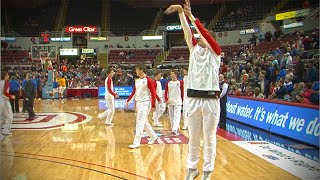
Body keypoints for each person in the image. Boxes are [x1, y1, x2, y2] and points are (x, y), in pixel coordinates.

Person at [165, 1, 221, 179]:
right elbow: (187, 32)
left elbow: (203, 33)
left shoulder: (216, 52)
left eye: (204, 37)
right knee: (193, 138)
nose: (201, 38)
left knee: (209, 138)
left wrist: (191, 16)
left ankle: (208, 171)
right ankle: (192, 168)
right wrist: (181, 13)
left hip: (211, 100)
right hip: (193, 99)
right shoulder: (194, 48)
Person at [125, 63, 159, 149]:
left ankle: (136, 142)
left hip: (145, 103)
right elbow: (134, 92)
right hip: (139, 103)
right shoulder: (137, 80)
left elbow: (153, 93)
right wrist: (128, 100)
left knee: (139, 122)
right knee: (144, 122)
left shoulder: (149, 80)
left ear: (141, 70)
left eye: (137, 70)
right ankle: (154, 136)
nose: (135, 71)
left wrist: (154, 105)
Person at [164, 70, 183, 135]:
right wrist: (166, 99)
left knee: (177, 116)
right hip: (170, 101)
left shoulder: (180, 82)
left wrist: (182, 100)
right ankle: (173, 128)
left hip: (178, 101)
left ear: (176, 74)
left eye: (172, 73)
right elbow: (166, 92)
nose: (171, 75)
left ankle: (175, 129)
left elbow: (182, 92)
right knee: (171, 116)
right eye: (171, 74)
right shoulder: (168, 83)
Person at [0, 71, 15, 137]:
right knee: (9, 116)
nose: (8, 77)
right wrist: (11, 96)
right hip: (4, 100)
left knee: (2, 117)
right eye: (8, 75)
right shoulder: (6, 83)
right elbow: (5, 92)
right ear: (5, 76)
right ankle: (5, 130)